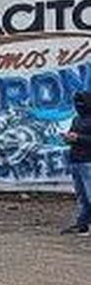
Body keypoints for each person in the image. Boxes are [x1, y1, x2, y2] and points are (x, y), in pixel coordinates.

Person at [61, 91, 91, 235]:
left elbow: (82, 138)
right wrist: (67, 138)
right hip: (76, 161)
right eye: (77, 102)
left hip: (88, 162)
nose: (79, 105)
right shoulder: (76, 120)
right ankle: (82, 225)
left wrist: (78, 138)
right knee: (82, 196)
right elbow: (72, 136)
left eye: (82, 102)